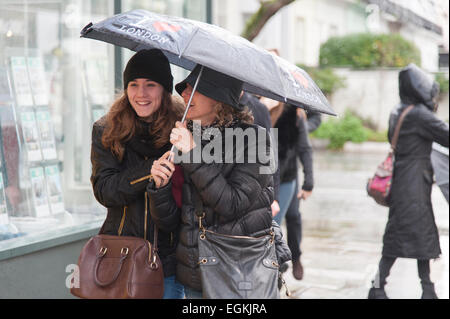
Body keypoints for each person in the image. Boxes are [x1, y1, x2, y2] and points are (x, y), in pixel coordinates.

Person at [147, 65, 291, 298]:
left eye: (194, 89)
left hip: (239, 271)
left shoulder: (256, 139)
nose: (184, 94)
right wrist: (159, 187)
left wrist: (193, 152)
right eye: (184, 89)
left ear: (219, 98)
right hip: (196, 271)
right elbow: (172, 221)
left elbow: (232, 204)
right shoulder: (189, 136)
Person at [89, 49, 185, 299]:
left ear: (165, 89)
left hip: (167, 261)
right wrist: (148, 171)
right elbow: (105, 190)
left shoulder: (182, 130)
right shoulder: (106, 129)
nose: (141, 93)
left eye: (150, 85)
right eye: (134, 84)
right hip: (118, 256)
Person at [368, 64, 449, 299]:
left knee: (404, 235)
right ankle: (383, 286)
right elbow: (445, 134)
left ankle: (419, 287)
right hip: (413, 185)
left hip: (404, 182)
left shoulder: (399, 111)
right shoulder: (419, 115)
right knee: (417, 235)